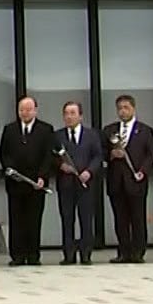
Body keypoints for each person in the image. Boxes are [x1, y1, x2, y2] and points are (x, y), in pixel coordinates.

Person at [0, 97, 55, 266]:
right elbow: (4, 153)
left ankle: (33, 255)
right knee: (16, 219)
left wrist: (42, 176)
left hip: (36, 183)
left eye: (29, 109)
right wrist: (11, 169)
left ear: (35, 110)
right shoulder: (10, 129)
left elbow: (48, 156)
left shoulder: (46, 129)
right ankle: (17, 255)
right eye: (22, 109)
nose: (25, 112)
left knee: (34, 219)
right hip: (16, 183)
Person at [101, 94, 153, 264]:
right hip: (116, 181)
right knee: (120, 218)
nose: (123, 111)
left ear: (133, 108)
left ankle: (138, 252)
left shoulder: (145, 130)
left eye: (126, 108)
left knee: (137, 217)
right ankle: (123, 251)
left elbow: (151, 154)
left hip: (136, 180)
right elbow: (101, 152)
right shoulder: (109, 130)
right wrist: (111, 155)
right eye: (120, 108)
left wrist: (143, 171)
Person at [55, 101, 103, 266]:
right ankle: (68, 254)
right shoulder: (58, 135)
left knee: (86, 219)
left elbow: (98, 156)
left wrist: (89, 171)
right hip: (66, 184)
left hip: (86, 184)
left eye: (72, 113)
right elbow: (52, 157)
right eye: (66, 113)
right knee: (67, 219)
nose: (69, 117)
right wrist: (60, 165)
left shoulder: (92, 135)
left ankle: (86, 253)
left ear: (80, 116)